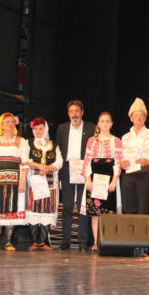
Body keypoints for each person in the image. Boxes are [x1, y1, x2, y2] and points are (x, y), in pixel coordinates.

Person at [0, 113, 29, 251]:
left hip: (14, 180)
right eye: (6, 122)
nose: (9, 124)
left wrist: (23, 181)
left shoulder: (21, 141)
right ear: (1, 125)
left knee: (11, 207)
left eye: (11, 121)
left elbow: (25, 163)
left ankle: (9, 241)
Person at [55, 100, 96, 251]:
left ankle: (82, 240)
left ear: (82, 112)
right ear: (68, 113)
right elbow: (58, 149)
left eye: (77, 111)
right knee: (67, 206)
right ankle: (66, 240)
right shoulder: (62, 128)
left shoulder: (91, 128)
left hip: (85, 169)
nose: (74, 114)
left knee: (83, 206)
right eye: (72, 111)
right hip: (67, 169)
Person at [82, 112, 123, 251]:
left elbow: (118, 162)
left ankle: (107, 242)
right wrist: (88, 179)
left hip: (109, 179)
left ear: (111, 124)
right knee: (95, 212)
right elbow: (87, 161)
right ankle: (96, 242)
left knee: (108, 211)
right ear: (98, 123)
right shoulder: (91, 141)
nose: (104, 124)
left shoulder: (116, 141)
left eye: (107, 121)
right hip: (94, 179)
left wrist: (114, 181)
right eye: (102, 121)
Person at [26, 117, 62, 250]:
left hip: (50, 182)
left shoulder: (53, 145)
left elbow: (59, 161)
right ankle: (34, 242)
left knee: (47, 208)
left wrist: (47, 168)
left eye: (40, 128)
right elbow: (26, 160)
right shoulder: (28, 143)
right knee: (34, 209)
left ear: (45, 129)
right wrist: (39, 166)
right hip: (34, 181)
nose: (38, 131)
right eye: (35, 129)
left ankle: (43, 242)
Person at [120, 98, 149, 214]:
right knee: (129, 208)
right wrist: (121, 163)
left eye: (142, 115)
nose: (139, 117)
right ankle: (130, 227)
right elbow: (121, 157)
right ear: (131, 118)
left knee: (144, 208)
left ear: (145, 118)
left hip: (145, 176)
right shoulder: (125, 137)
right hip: (128, 176)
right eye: (136, 115)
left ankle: (144, 227)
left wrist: (148, 161)